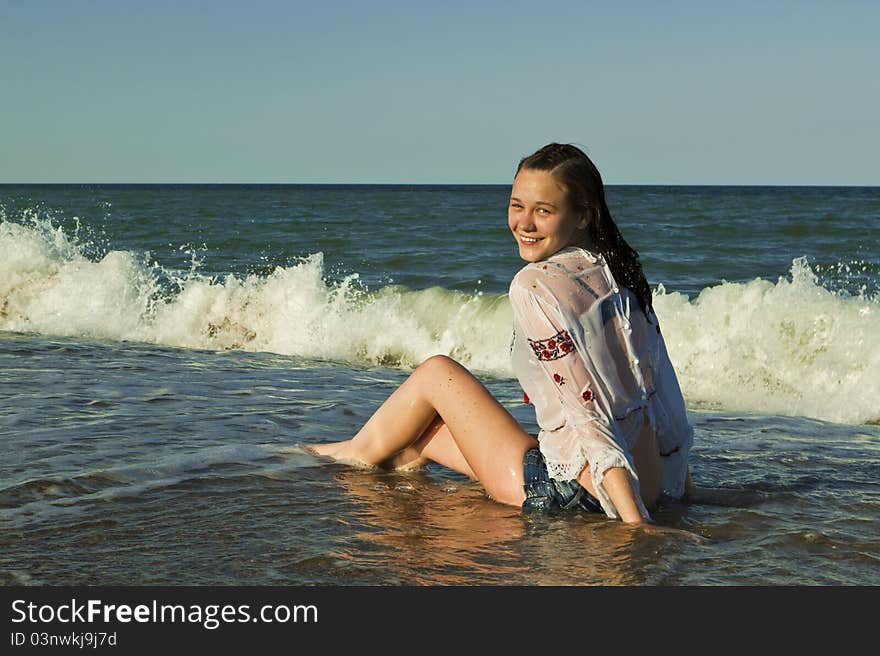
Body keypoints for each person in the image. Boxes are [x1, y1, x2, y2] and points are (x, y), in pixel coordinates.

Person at [310, 143, 694, 524]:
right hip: (648, 485)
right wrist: (680, 493)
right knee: (418, 439)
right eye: (516, 206)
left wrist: (634, 526)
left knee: (436, 373)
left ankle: (328, 458)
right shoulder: (621, 274)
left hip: (573, 495)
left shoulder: (535, 285)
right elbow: (659, 401)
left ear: (582, 216)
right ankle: (377, 458)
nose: (524, 224)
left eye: (543, 211)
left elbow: (587, 413)